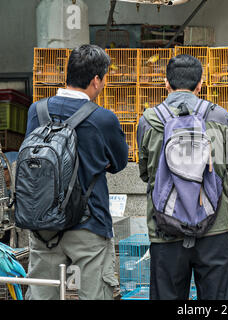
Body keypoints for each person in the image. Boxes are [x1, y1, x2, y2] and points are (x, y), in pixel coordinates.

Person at [24, 44, 129, 300]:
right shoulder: (103, 118)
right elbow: (119, 162)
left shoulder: (37, 111)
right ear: (96, 80)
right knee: (95, 294)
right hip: (89, 221)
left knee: (41, 294)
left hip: (43, 223)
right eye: (104, 80)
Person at [137, 54, 228, 300]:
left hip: (165, 229)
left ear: (166, 84)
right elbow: (225, 167)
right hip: (213, 227)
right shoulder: (220, 117)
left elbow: (146, 173)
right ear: (200, 84)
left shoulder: (148, 120)